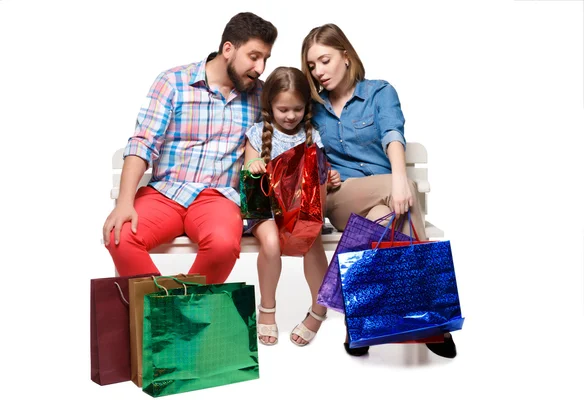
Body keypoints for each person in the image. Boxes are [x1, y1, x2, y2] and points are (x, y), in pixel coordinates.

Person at [301, 23, 457, 358]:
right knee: (402, 194)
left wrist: (398, 179)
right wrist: (400, 184)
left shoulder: (379, 92)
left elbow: (392, 133)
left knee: (381, 217)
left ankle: (358, 324)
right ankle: (431, 319)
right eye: (312, 66)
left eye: (324, 60)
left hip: (388, 200)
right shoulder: (313, 107)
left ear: (345, 55)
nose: (318, 72)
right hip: (341, 197)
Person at [102, 12, 277, 284]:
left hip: (218, 198)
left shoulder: (261, 96)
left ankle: (172, 316)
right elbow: (142, 143)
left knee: (222, 245)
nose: (260, 67)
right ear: (228, 49)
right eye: (254, 56)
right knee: (120, 235)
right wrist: (125, 202)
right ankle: (170, 315)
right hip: (166, 192)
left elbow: (285, 134)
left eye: (265, 58)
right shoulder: (173, 82)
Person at [243, 66, 341, 347]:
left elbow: (320, 173)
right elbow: (249, 171)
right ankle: (267, 309)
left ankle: (318, 309)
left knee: (311, 240)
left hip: (298, 209)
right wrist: (255, 165)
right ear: (270, 105)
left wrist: (330, 176)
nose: (290, 116)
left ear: (306, 108)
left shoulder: (310, 134)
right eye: (283, 109)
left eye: (297, 109)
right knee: (271, 244)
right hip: (265, 209)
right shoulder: (258, 132)